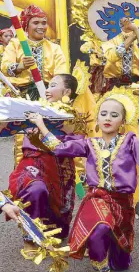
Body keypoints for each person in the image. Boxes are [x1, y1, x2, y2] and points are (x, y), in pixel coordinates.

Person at [27, 88, 139, 272]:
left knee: (121, 261)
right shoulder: (88, 143)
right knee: (99, 228)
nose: (108, 118)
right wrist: (41, 125)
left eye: (114, 115)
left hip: (122, 202)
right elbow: (59, 148)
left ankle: (111, 255)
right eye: (103, 114)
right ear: (98, 118)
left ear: (123, 121)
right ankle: (99, 264)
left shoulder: (131, 142)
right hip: (97, 198)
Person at [8, 74, 83, 258]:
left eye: (54, 85)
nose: (48, 89)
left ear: (67, 92)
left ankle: (48, 230)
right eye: (48, 85)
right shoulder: (34, 110)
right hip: (33, 162)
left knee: (59, 229)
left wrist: (42, 126)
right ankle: (30, 237)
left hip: (60, 166)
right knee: (35, 189)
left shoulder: (72, 116)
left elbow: (66, 146)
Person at [1, 5, 67, 100]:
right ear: (26, 26)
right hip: (18, 94)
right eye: (36, 23)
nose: (41, 27)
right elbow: (5, 68)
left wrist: (54, 89)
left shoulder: (54, 48)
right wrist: (21, 66)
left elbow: (61, 75)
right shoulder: (15, 44)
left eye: (44, 23)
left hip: (47, 94)